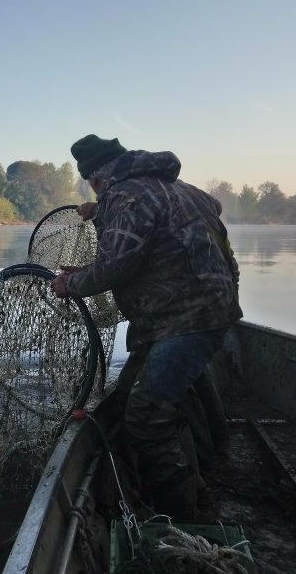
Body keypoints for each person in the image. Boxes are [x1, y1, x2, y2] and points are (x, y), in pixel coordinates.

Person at [51, 134, 242, 518]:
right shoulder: (173, 185)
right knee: (127, 398)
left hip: (186, 320)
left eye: (92, 184)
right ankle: (209, 456)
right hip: (203, 312)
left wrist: (69, 284)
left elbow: (114, 268)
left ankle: (180, 517)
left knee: (144, 414)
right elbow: (204, 209)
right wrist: (100, 212)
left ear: (96, 178)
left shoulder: (129, 196)